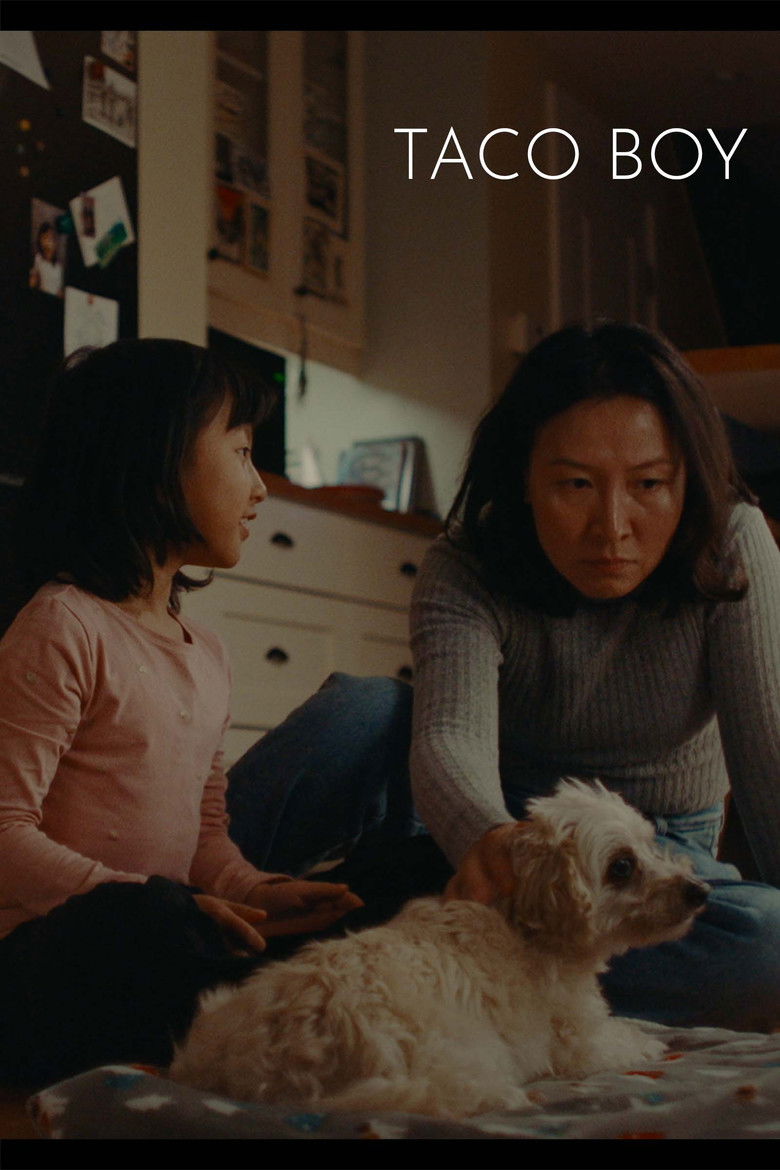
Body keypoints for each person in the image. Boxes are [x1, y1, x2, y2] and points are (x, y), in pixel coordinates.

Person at [0, 338, 420, 1090]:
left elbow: (204, 838)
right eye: (241, 453)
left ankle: (251, 1011)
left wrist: (255, 893)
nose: (258, 488)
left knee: (404, 882)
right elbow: (3, 831)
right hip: (51, 963)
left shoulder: (207, 653)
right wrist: (153, 904)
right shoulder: (63, 625)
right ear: (155, 458)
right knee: (148, 919)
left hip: (164, 946)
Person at [410, 321, 780, 1033]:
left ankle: (481, 965)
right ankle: (216, 927)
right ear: (524, 478)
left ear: (688, 479)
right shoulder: (466, 562)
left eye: (649, 484)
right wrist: (493, 844)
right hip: (506, 837)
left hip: (654, 853)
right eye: (575, 484)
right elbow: (449, 736)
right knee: (358, 713)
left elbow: (770, 762)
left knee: (768, 946)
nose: (611, 527)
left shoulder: (733, 539)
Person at [28, 222, 64, 298]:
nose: (47, 241)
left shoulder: (59, 266)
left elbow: (60, 289)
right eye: (44, 238)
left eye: (50, 238)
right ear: (40, 241)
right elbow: (34, 278)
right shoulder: (38, 258)